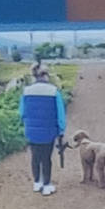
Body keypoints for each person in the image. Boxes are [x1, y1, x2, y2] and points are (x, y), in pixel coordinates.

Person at [19, 62, 66, 194]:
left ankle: (36, 182)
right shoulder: (53, 91)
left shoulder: (26, 91)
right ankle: (46, 185)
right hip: (49, 131)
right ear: (46, 75)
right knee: (46, 158)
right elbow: (60, 114)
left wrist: (27, 125)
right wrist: (61, 130)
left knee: (35, 157)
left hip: (31, 131)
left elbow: (22, 113)